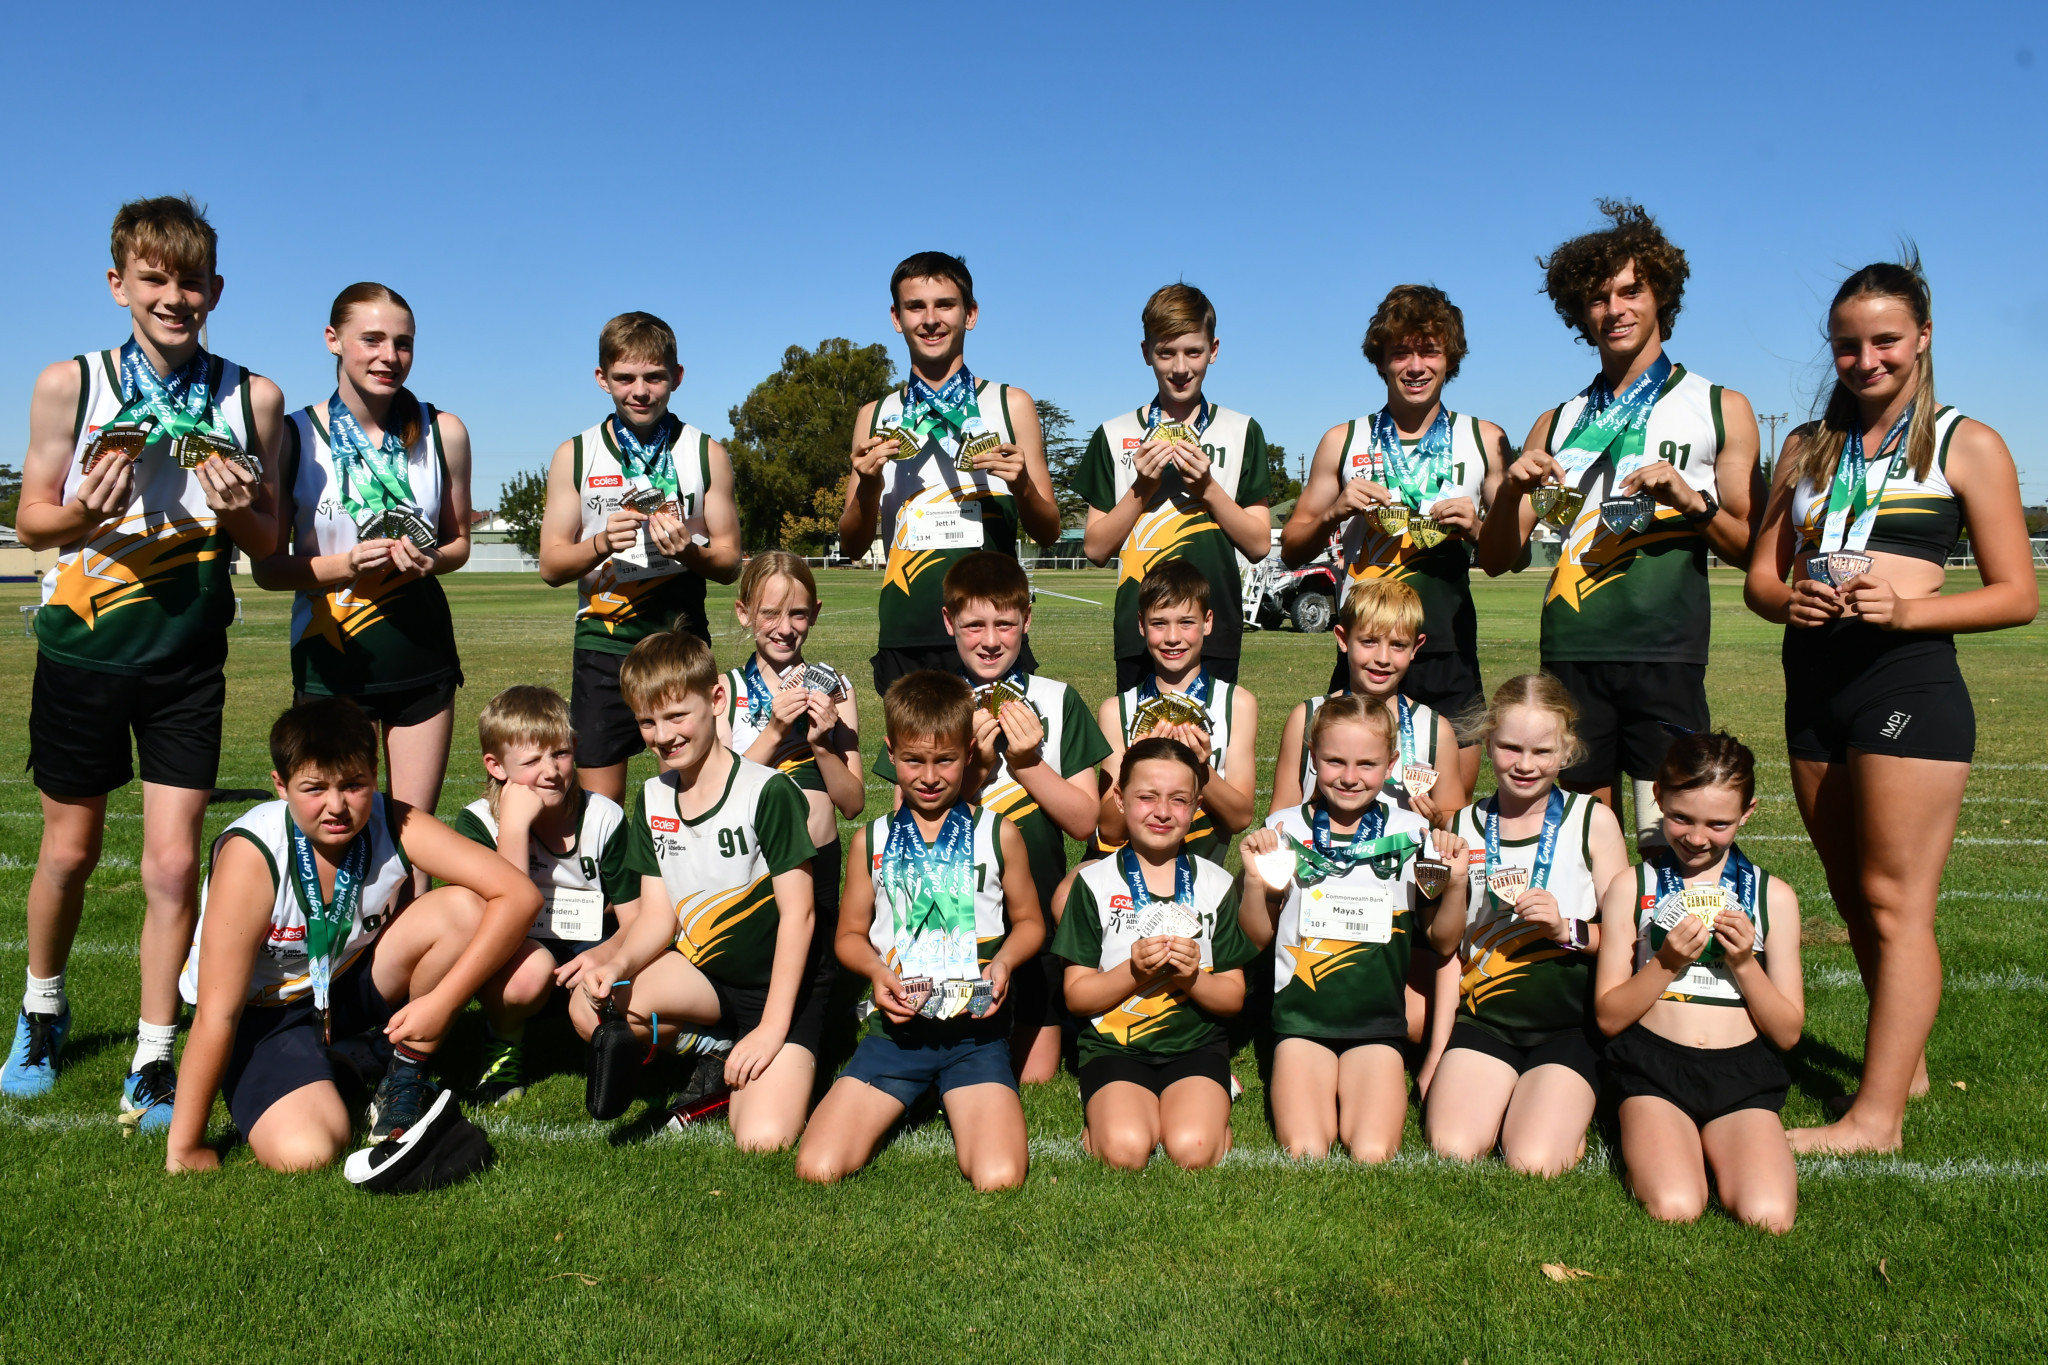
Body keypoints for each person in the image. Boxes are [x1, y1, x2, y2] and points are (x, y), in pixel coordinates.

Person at [1744, 258, 2037, 1155]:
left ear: (1923, 339)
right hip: (1813, 682)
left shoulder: (1965, 443)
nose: (1865, 359)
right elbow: (1761, 574)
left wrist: (1907, 610)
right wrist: (1785, 597)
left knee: (1894, 898)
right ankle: (1896, 1062)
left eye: (1884, 341)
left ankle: (1876, 1120)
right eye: (1847, 344)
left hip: (1907, 684)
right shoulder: (1803, 447)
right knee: (1848, 890)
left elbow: (2017, 592)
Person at [7, 195, 285, 1131]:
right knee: (71, 851)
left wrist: (241, 501)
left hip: (186, 659)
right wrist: (84, 509)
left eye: (191, 281)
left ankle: (155, 1052)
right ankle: (42, 1011)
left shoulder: (252, 397)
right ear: (118, 282)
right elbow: (31, 520)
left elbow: (268, 536)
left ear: (216, 290)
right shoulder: (68, 383)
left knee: (173, 867)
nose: (175, 297)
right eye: (155, 278)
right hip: (84, 650)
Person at [1477, 202, 1761, 846]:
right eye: (1598, 298)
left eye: (1631, 290)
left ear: (1661, 294)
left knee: (1674, 843)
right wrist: (1510, 491)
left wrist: (1693, 502)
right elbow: (1497, 558)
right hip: (1573, 653)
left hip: (1667, 653)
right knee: (1581, 845)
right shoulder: (1556, 421)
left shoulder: (1721, 407)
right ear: (1580, 314)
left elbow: (1751, 550)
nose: (1615, 309)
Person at [164, 699, 540, 1172]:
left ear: (375, 775)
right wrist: (185, 1147)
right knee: (308, 1152)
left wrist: (443, 1002)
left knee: (464, 909)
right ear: (280, 786)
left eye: (354, 785)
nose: (337, 806)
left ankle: (403, 1071)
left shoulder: (394, 820)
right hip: (261, 1015)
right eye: (314, 788)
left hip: (342, 984)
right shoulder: (253, 855)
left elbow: (519, 896)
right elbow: (217, 1014)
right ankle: (339, 1064)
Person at [253, 283, 473, 896]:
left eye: (402, 343)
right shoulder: (294, 435)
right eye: (371, 339)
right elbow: (268, 568)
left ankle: (410, 985)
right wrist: (345, 563)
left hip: (420, 659)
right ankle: (327, 982)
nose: (388, 356)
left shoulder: (443, 429)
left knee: (413, 846)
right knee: (333, 840)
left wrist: (430, 560)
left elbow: (458, 543)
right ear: (334, 341)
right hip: (332, 666)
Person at [573, 628, 827, 1150]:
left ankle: (751, 1054)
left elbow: (800, 917)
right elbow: (658, 919)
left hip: (782, 986)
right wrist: (616, 967)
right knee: (588, 1005)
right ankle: (711, 1047)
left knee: (763, 1138)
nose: (663, 735)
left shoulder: (767, 790)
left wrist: (773, 1027)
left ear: (715, 700)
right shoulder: (652, 798)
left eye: (675, 716)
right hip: (706, 978)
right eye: (647, 721)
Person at [794, 672, 1044, 1190]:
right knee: (817, 1167)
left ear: (970, 752)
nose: (929, 776)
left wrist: (1003, 964)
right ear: (891, 752)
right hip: (897, 1036)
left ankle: (950, 1090)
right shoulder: (873, 840)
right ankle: (912, 1088)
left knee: (998, 1178)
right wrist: (875, 971)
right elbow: (849, 936)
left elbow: (1030, 924)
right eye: (913, 760)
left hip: (976, 1036)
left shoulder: (998, 833)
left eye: (945, 760)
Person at [870, 552, 1111, 1083]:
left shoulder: (1057, 699)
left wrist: (1027, 765)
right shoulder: (929, 700)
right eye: (974, 624)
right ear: (948, 623)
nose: (990, 640)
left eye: (1005, 624)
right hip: (951, 916)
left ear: (1027, 622)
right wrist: (973, 777)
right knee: (949, 1049)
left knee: (1034, 1076)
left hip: (1036, 919)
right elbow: (901, 839)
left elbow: (1084, 822)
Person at [1282, 285, 1511, 793]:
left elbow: (1505, 558)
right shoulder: (1344, 440)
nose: (1415, 365)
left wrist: (1476, 528)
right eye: (1400, 352)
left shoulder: (1483, 438)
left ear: (1450, 358)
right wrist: (1335, 511)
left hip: (1448, 648)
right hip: (1366, 652)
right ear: (1381, 361)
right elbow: (1293, 546)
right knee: (1344, 797)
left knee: (1449, 813)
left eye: (1429, 350)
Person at [1239, 695, 1471, 1161]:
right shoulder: (1284, 829)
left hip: (1377, 1027)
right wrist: (1252, 880)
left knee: (1373, 1151)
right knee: (1306, 1150)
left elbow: (1443, 941)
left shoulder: (1413, 833)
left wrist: (1457, 883)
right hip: (1301, 1024)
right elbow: (1254, 937)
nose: (1349, 777)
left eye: (1367, 764)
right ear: (1312, 758)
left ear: (1390, 765)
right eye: (1334, 761)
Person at [1593, 731, 1803, 1232]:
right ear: (1658, 798)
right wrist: (1665, 963)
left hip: (1741, 1076)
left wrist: (1747, 964)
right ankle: (1658, 1136)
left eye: (1719, 823)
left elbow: (1788, 1032)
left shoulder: (1774, 897)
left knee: (1768, 1215)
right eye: (1681, 817)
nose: (1696, 837)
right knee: (1675, 1205)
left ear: (1747, 812)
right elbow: (1608, 1016)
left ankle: (1724, 1141)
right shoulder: (1633, 887)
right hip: (1653, 1070)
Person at [1425, 674, 1630, 1176]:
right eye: (1510, 747)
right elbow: (1448, 948)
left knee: (1532, 1161)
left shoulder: (1592, 821)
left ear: (1567, 750)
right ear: (1488, 741)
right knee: (1453, 1148)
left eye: (1542, 751)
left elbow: (1629, 941)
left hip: (1569, 1028)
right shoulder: (1463, 824)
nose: (1524, 764)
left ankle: (1559, 1112)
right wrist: (1436, 1052)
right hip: (1486, 1022)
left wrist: (1568, 930)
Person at [535, 312, 742, 802]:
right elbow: (551, 566)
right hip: (604, 647)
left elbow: (731, 562)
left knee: (697, 796)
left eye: (654, 377)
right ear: (601, 378)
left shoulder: (706, 452)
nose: (640, 391)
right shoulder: (576, 454)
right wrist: (602, 543)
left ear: (677, 377)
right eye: (625, 378)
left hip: (680, 646)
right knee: (599, 812)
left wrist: (690, 552)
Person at [837, 251, 1062, 696]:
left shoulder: (1010, 404)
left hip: (991, 635)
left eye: (945, 304)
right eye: (915, 307)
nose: (930, 319)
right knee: (921, 768)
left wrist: (1020, 485)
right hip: (907, 632)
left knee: (1000, 764)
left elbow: (1050, 530)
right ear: (896, 318)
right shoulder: (875, 415)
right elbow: (851, 543)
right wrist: (867, 486)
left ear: (970, 314)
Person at [1053, 738, 1258, 1170]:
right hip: (1115, 1046)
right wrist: (1133, 971)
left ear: (1197, 805)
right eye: (1146, 797)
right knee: (1125, 1150)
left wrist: (1192, 977)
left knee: (1194, 1149)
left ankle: (1210, 1106)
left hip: (1195, 1045)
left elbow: (1233, 998)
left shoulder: (1218, 885)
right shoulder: (1092, 885)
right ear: (1119, 799)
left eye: (1179, 800)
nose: (1162, 812)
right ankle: (1106, 1112)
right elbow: (1077, 996)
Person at [1074, 283, 1273, 691]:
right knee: (1142, 750)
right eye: (1166, 353)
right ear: (1146, 352)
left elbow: (1257, 544)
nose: (1180, 367)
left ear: (1213, 350)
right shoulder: (1115, 434)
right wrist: (1142, 488)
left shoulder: (1241, 430)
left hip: (1214, 628)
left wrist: (1207, 487)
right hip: (1140, 631)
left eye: (1194, 352)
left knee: (1211, 752)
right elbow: (1095, 548)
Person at [450, 686, 639, 1106]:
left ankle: (608, 1043)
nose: (550, 771)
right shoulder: (478, 823)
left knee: (621, 976)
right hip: (515, 951)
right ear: (496, 766)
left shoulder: (603, 816)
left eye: (559, 753)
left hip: (590, 941)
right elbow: (501, 923)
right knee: (527, 973)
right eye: (531, 761)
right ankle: (503, 1045)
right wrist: (514, 829)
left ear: (575, 747)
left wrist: (603, 953)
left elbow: (637, 918)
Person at [717, 552, 865, 966]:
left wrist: (821, 745)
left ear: (815, 614)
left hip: (818, 858)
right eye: (770, 614)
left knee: (817, 972)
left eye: (798, 614)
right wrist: (776, 732)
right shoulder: (723, 691)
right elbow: (720, 798)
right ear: (744, 614)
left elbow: (853, 804)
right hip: (752, 862)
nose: (784, 629)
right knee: (754, 964)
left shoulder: (836, 688)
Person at [1092, 559, 1258, 866]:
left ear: (1207, 622)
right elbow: (1109, 829)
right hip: (1131, 882)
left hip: (1203, 882)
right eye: (1159, 623)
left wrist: (1201, 768)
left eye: (1186, 622)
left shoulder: (1238, 704)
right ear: (1141, 624)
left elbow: (1240, 817)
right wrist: (1135, 764)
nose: (1172, 637)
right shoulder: (1116, 710)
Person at [1273, 577, 1467, 823]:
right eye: (1369, 641)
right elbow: (1280, 815)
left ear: (1416, 647)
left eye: (1398, 645)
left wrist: (1438, 820)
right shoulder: (1306, 717)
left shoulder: (1435, 730)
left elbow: (1454, 817)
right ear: (1343, 639)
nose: (1383, 658)